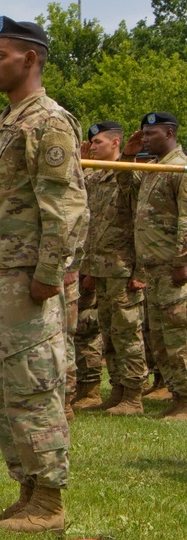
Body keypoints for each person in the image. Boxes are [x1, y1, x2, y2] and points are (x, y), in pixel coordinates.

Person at [0, 16, 87, 533]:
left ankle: (49, 503)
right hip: (2, 272)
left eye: (0, 55)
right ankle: (28, 494)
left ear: (30, 59)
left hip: (29, 275)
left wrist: (50, 273)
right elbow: (15, 191)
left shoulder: (49, 121)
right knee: (6, 387)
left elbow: (65, 205)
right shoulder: (11, 123)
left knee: (34, 383)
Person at [78, 122, 148, 415]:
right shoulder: (97, 177)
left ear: (115, 143)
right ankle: (117, 391)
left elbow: (138, 217)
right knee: (108, 332)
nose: (93, 146)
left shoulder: (129, 174)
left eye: (98, 142)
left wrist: (139, 272)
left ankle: (134, 395)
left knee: (128, 332)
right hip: (101, 268)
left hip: (123, 267)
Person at [124, 112, 187, 420]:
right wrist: (128, 155)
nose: (146, 138)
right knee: (160, 338)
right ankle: (178, 398)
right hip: (153, 268)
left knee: (178, 336)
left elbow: (186, 219)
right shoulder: (153, 168)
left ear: (170, 133)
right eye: (144, 133)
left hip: (172, 268)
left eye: (152, 133)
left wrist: (182, 262)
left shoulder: (180, 168)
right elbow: (124, 187)